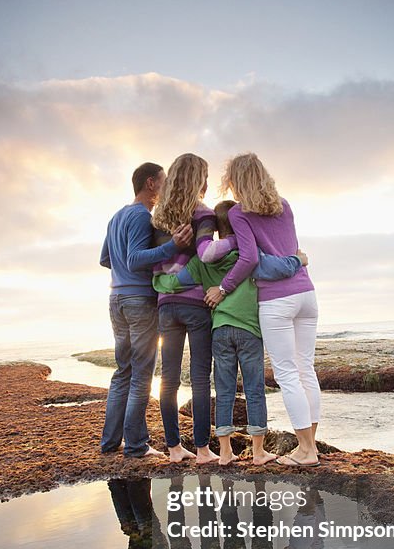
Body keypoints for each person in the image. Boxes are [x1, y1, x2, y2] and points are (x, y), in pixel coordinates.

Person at [153, 200, 307, 466]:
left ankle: (225, 452)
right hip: (249, 331)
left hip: (220, 331)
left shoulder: (202, 262)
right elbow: (276, 268)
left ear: (214, 231)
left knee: (223, 391)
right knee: (254, 389)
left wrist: (158, 281)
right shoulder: (249, 254)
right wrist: (299, 260)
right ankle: (258, 452)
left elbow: (175, 282)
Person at [205, 153, 320, 467]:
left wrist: (224, 287)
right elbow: (289, 254)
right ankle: (309, 447)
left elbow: (251, 260)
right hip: (307, 294)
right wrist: (296, 261)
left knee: (287, 374)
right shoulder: (285, 204)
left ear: (236, 182)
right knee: (306, 369)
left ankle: (307, 450)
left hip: (276, 300)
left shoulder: (241, 214)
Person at [99, 162, 192, 457]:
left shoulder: (117, 216)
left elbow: (105, 259)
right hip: (139, 301)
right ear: (151, 183)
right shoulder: (141, 216)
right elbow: (135, 259)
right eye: (163, 182)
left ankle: (110, 443)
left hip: (116, 300)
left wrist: (123, 272)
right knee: (141, 374)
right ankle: (137, 446)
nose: (166, 187)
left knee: (123, 372)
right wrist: (173, 246)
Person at [151, 153, 231, 464]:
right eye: (205, 176)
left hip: (166, 306)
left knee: (168, 378)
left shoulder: (157, 217)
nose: (208, 182)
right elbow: (205, 256)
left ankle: (173, 449)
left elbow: (155, 263)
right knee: (200, 376)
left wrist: (166, 283)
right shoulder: (204, 214)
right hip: (196, 304)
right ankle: (202, 450)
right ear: (199, 179)